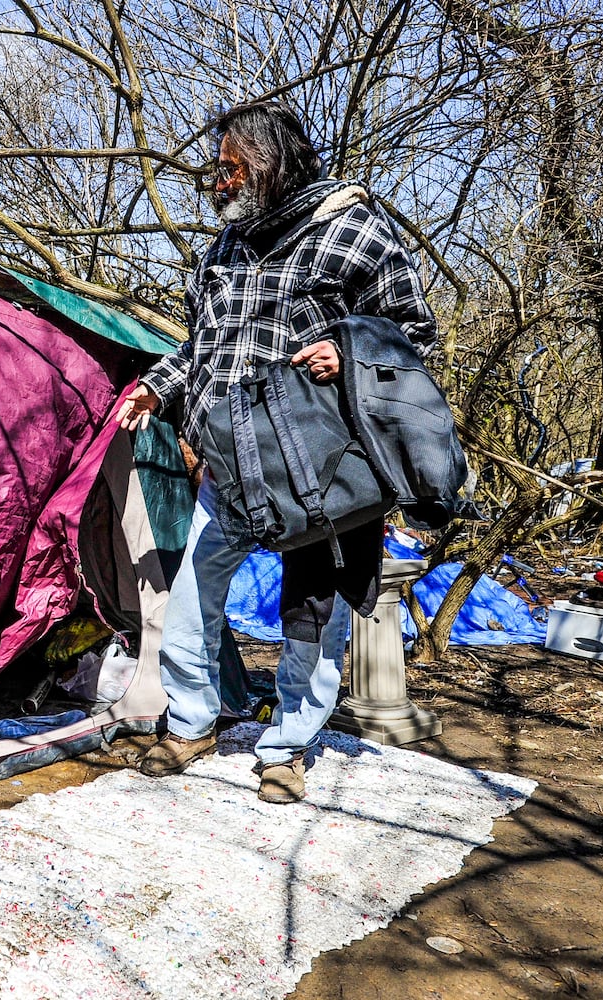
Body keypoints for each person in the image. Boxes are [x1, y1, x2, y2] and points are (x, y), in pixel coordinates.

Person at [116, 100, 437, 802]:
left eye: (231, 167)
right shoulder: (226, 248)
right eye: (217, 169)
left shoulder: (354, 228)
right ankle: (193, 722)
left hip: (318, 470)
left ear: (272, 162)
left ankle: (288, 748)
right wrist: (157, 387)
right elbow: (203, 344)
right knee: (193, 595)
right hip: (230, 465)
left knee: (312, 612)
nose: (217, 181)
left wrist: (348, 346)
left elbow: (412, 330)